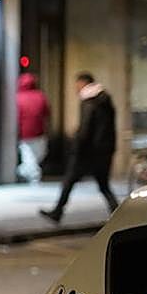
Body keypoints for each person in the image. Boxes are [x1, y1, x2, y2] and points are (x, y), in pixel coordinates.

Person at [41, 72, 119, 222]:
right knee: (103, 184)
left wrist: (77, 143)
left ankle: (57, 212)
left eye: (77, 84)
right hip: (103, 149)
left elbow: (86, 127)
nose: (75, 88)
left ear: (83, 83)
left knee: (70, 180)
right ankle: (118, 214)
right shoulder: (105, 99)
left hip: (88, 151)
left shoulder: (89, 101)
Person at [16, 72, 51, 183]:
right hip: (40, 131)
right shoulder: (41, 96)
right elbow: (47, 113)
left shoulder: (17, 98)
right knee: (37, 156)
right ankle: (31, 173)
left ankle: (27, 173)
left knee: (29, 157)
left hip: (24, 133)